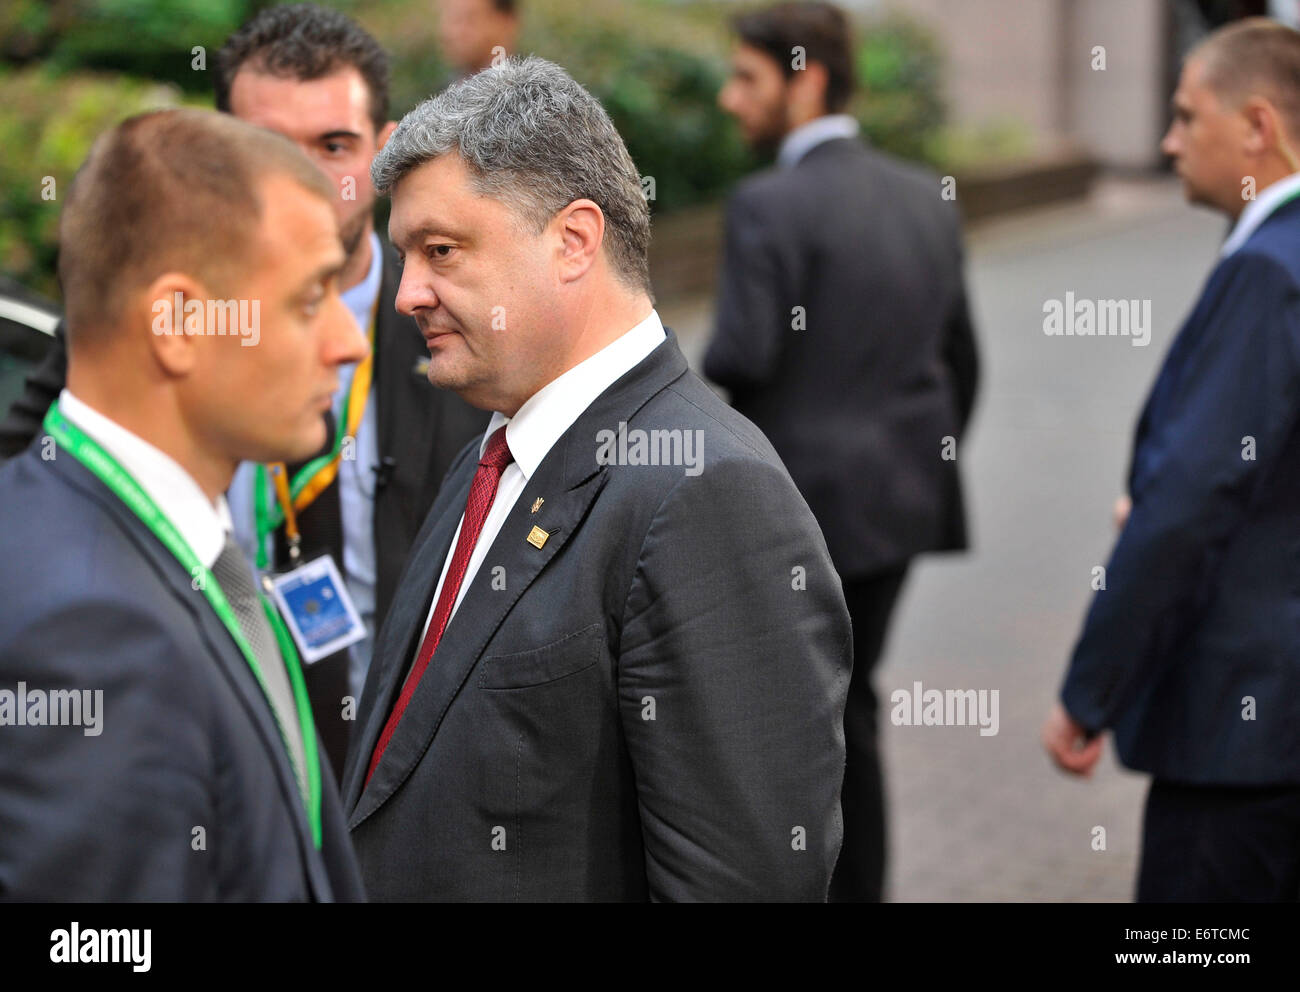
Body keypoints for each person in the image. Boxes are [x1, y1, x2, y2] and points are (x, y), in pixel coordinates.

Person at [341, 55, 852, 901]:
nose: (408, 295)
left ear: (574, 241)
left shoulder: (707, 495)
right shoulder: (488, 456)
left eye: (441, 251)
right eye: (405, 256)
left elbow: (744, 880)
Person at [0, 3, 491, 782]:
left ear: (384, 153)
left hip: (407, 773)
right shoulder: (139, 323)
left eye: (332, 146)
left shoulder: (466, 324)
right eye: (265, 147)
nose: (297, 180)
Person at [0, 109, 367, 900]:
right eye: (310, 300)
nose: (349, 341)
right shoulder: (93, 626)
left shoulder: (152, 544)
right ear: (177, 324)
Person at [706, 1, 978, 902]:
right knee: (847, 707)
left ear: (805, 77)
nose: (728, 98)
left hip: (802, 513)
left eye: (747, 78)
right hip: (899, 508)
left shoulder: (767, 204)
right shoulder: (921, 194)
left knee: (809, 717)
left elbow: (743, 355)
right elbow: (963, 362)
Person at [1044, 17, 1300, 902]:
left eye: (1189, 117)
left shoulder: (1266, 272)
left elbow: (1191, 504)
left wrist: (1090, 693)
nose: (1168, 140)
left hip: (1244, 736)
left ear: (1257, 128)